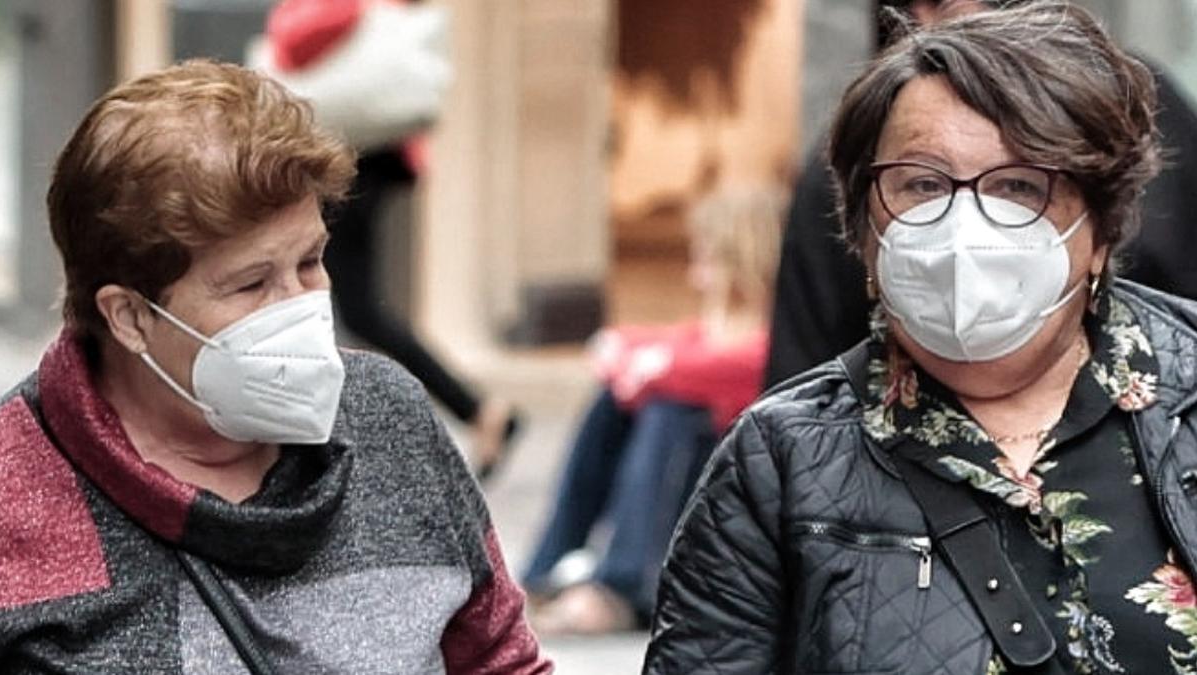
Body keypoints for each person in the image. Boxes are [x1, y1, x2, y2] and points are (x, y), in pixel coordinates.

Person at [644, 2, 1197, 672]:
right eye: (923, 185)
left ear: (1100, 230)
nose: (965, 223)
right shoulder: (779, 464)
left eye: (1020, 186)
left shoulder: (1184, 400)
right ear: (864, 228)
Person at [0, 60, 550, 674]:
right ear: (129, 316)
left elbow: (500, 660)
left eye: (310, 261)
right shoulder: (14, 486)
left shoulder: (389, 418)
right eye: (251, 284)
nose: (300, 306)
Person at [764, 0, 1197, 388]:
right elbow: (801, 355)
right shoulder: (874, 138)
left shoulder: (1124, 112)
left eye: (1019, 186)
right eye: (925, 185)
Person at [252, 0, 521, 480]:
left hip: (351, 161)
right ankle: (475, 409)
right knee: (341, 304)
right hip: (369, 160)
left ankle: (475, 408)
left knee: (346, 305)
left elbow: (297, 36)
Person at [523, 185, 784, 635]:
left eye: (706, 258)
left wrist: (643, 368)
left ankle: (624, 588)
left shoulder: (772, 343)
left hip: (731, 483)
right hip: (693, 480)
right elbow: (627, 351)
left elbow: (668, 370)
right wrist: (637, 365)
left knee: (668, 412)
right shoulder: (711, 335)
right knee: (614, 405)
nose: (695, 273)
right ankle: (547, 568)